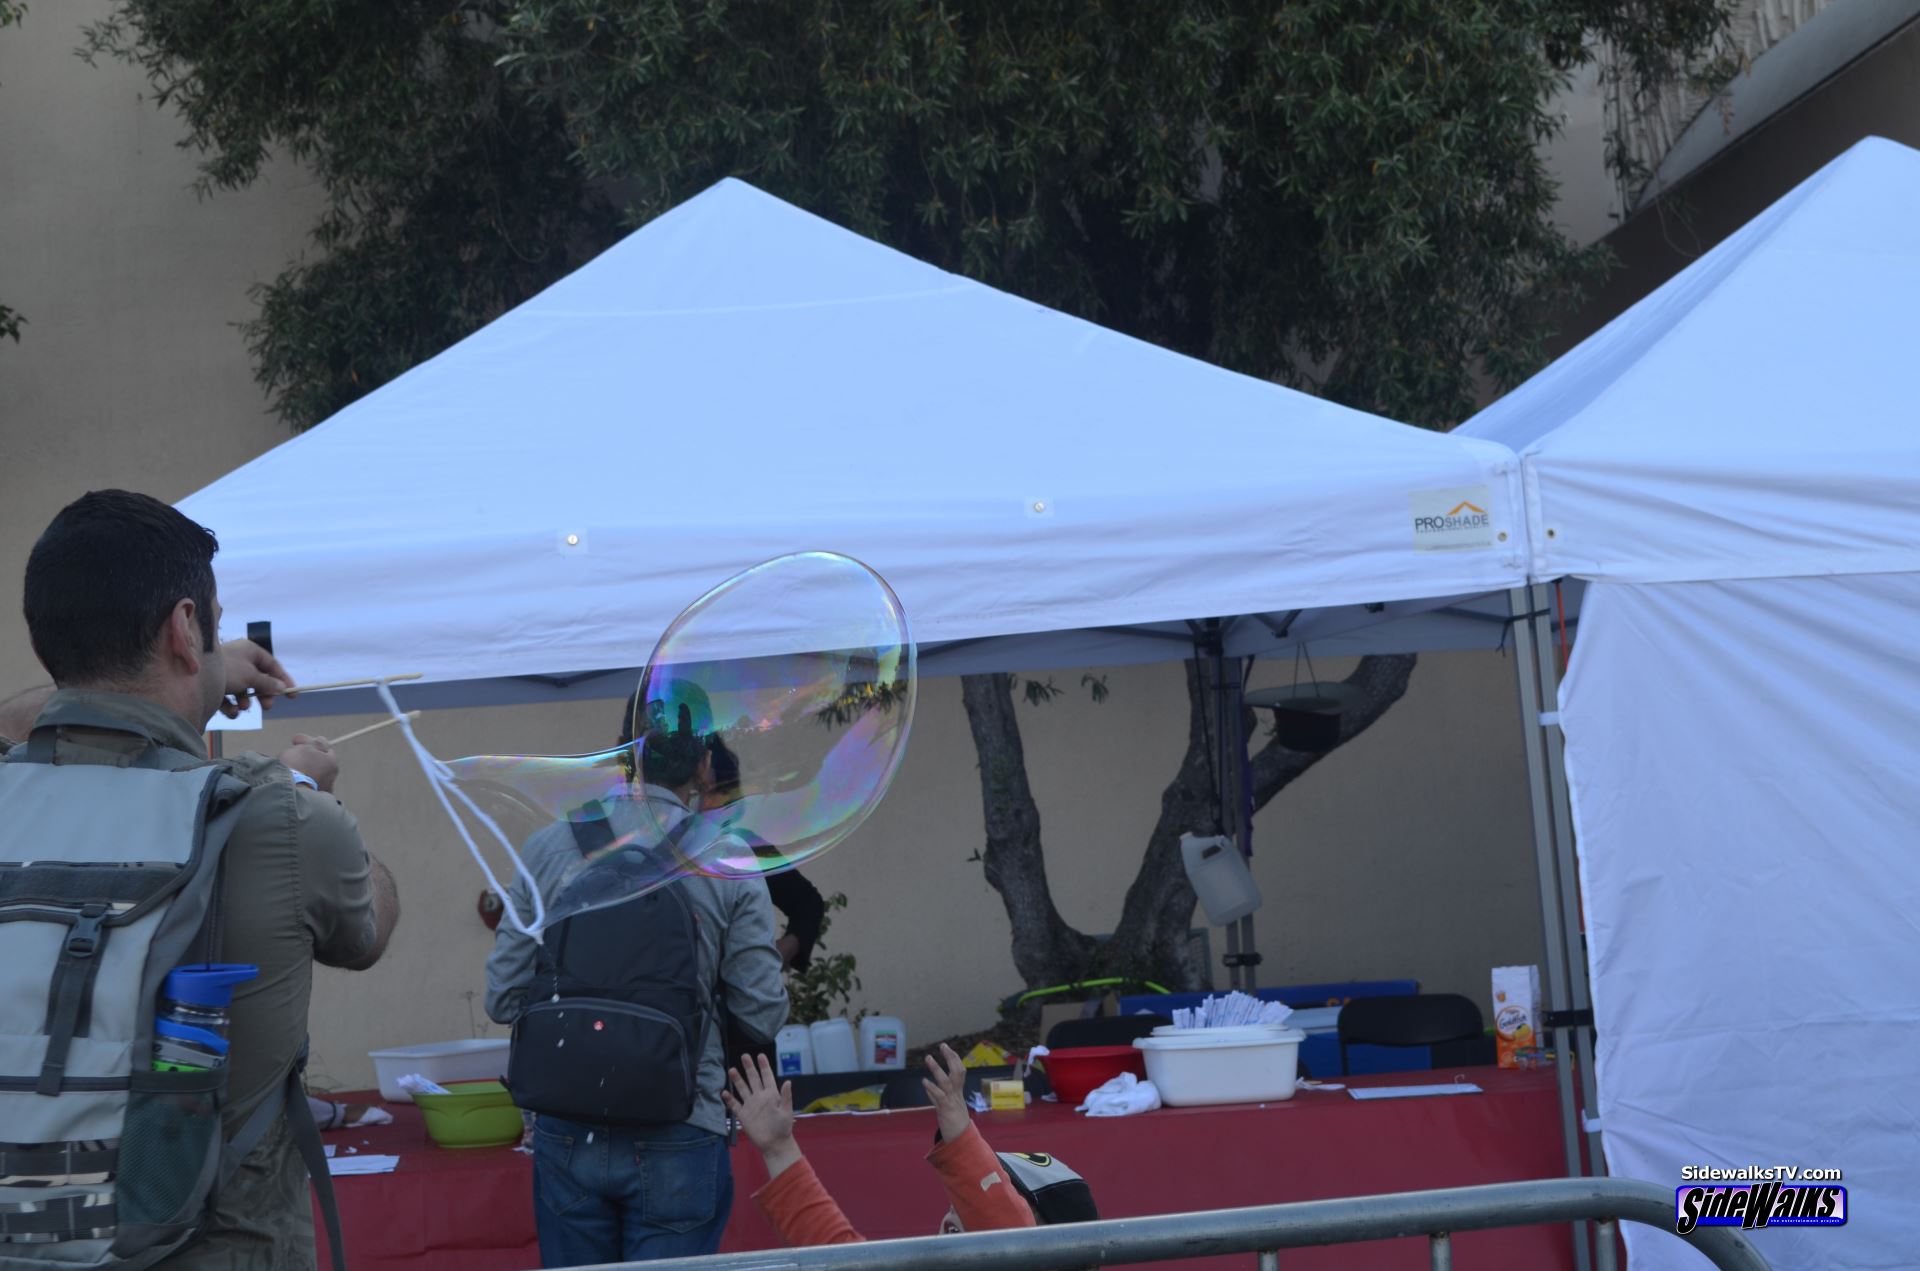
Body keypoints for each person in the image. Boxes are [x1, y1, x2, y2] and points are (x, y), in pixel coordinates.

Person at [5, 489, 400, 1269]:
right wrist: (308, 790)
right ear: (186, 627)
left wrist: (192, 669)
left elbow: (24, 716)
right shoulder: (280, 815)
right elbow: (373, 924)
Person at [484, 695, 789, 1266]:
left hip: (566, 1124)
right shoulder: (726, 858)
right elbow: (762, 1013)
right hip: (682, 1121)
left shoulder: (547, 849)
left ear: (625, 753)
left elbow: (502, 999)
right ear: (705, 765)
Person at [723, 1043, 1099, 1245]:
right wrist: (778, 1149)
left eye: (997, 1188)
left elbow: (1007, 1236)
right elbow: (832, 1250)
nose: (960, 1203)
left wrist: (960, 1134)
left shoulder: (1013, 1239)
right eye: (961, 1196)